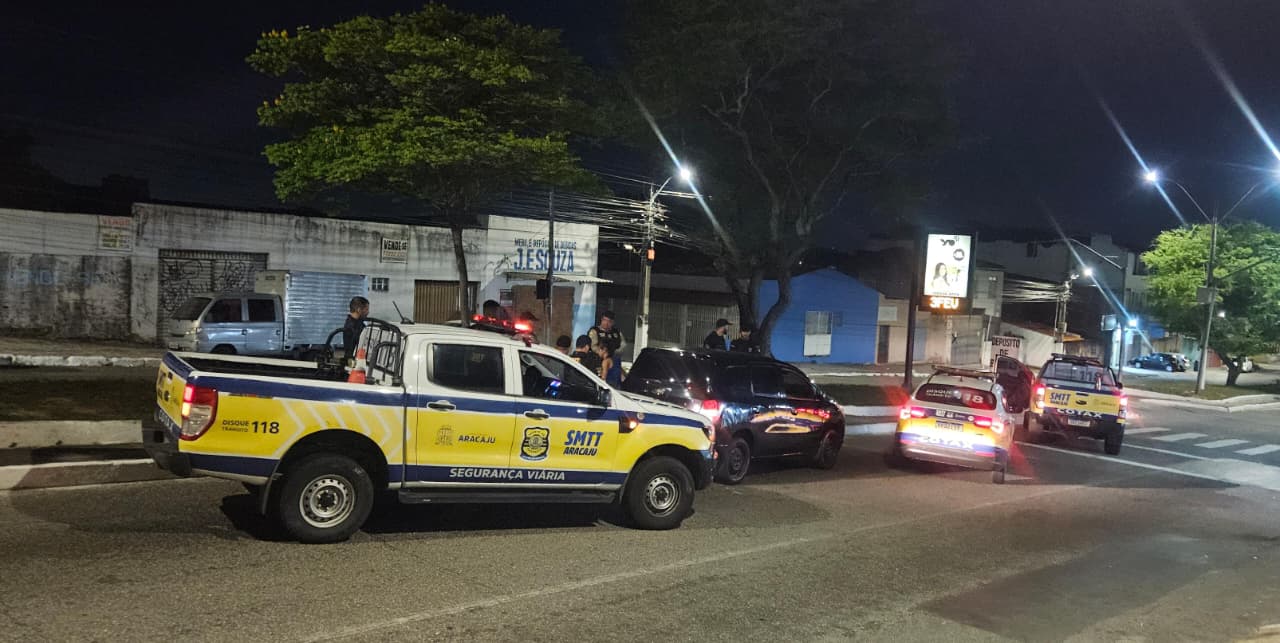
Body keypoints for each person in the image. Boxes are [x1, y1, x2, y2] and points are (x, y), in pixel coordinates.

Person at [342, 296, 370, 364]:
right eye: (366, 309)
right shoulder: (352, 326)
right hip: (353, 361)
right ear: (359, 310)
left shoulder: (357, 323)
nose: (368, 312)